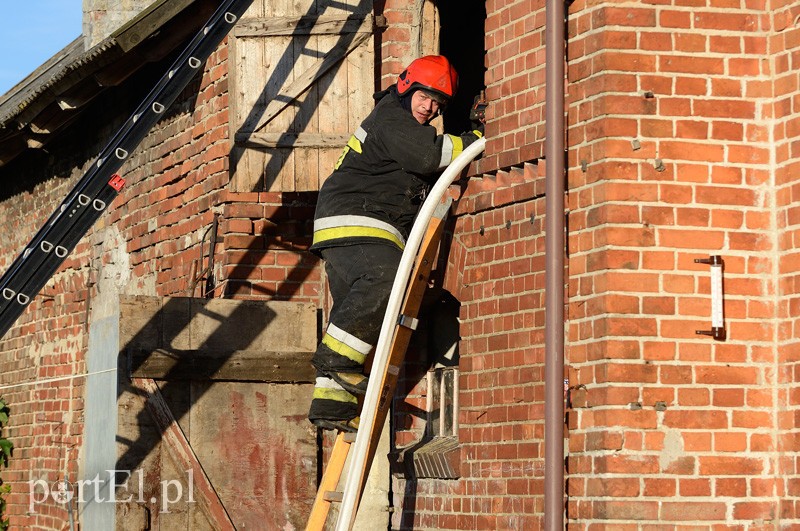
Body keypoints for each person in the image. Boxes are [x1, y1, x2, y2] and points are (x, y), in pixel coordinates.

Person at [307, 55, 483, 432]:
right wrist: (477, 139)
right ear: (406, 87)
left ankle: (331, 406)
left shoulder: (397, 121)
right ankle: (334, 362)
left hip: (346, 225)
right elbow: (429, 155)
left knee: (354, 314)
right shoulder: (392, 117)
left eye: (438, 103)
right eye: (425, 96)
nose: (429, 108)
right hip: (360, 219)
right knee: (385, 281)